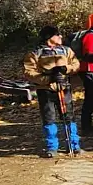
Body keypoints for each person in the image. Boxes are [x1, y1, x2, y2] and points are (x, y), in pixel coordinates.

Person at [23, 25, 81, 158]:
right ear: (49, 38)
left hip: (64, 88)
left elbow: (76, 64)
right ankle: (52, 147)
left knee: (69, 117)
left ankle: (74, 145)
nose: (60, 37)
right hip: (46, 91)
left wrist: (65, 70)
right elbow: (29, 72)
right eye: (57, 35)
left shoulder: (66, 50)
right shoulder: (35, 53)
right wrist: (48, 78)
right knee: (49, 119)